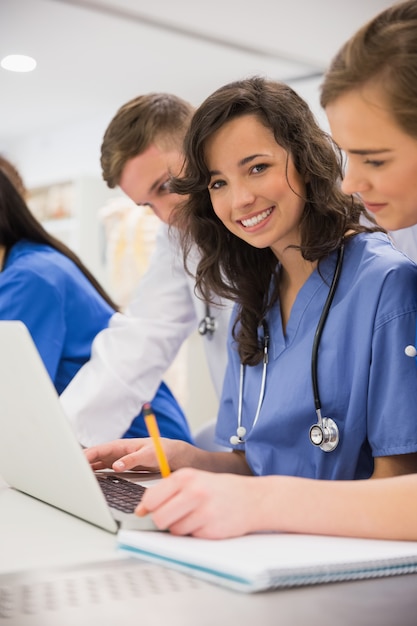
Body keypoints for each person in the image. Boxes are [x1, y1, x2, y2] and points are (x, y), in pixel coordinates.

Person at [85, 72, 417, 539]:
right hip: (264, 545)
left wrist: (261, 504)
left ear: (305, 159)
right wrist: (190, 460)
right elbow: (255, 464)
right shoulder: (252, 300)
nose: (239, 199)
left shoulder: (387, 284)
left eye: (257, 167)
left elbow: (400, 487)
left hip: (347, 560)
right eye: (218, 182)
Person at [60, 94, 233, 447]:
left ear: (201, 148)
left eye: (166, 187)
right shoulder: (178, 236)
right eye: (147, 205)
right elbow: (140, 338)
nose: (166, 215)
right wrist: (62, 444)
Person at [0, 159, 193, 443]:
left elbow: (11, 397)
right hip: (97, 441)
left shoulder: (30, 277)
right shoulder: (26, 263)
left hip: (139, 445)